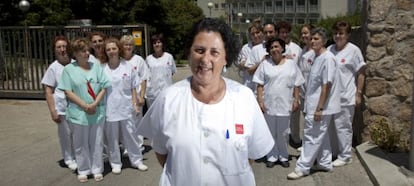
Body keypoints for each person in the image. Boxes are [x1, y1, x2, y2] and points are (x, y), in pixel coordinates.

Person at [137, 18, 274, 186]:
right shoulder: (168, 98)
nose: (205, 59)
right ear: (189, 54)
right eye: (199, 50)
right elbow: (161, 152)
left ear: (226, 58)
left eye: (215, 52)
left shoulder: (244, 98)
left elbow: (251, 155)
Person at [287, 28, 341, 180]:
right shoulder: (316, 57)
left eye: (316, 39)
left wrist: (320, 108)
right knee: (321, 136)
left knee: (311, 136)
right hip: (313, 104)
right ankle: (324, 163)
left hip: (321, 107)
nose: (312, 41)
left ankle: (302, 168)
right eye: (311, 39)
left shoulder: (327, 58)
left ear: (324, 41)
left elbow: (326, 85)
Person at [57, 38, 110, 183]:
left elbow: (104, 86)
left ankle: (97, 168)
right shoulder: (68, 70)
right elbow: (68, 91)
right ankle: (83, 169)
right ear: (75, 53)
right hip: (78, 113)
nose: (87, 53)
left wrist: (94, 104)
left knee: (97, 141)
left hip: (97, 111)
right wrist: (84, 105)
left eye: (88, 50)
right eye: (83, 51)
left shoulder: (96, 67)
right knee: (80, 142)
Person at [253, 37, 305, 168]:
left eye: (276, 47)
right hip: (268, 103)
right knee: (270, 132)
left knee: (283, 132)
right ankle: (271, 156)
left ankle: (283, 156)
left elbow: (297, 84)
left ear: (282, 48)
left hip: (285, 103)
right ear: (269, 51)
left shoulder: (291, 64)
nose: (274, 49)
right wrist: (260, 101)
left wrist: (296, 100)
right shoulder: (265, 64)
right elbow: (259, 84)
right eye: (271, 47)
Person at [102, 38, 148, 174]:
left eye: (114, 48)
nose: (111, 52)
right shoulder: (102, 69)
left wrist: (135, 104)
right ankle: (116, 162)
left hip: (126, 107)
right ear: (106, 52)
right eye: (108, 49)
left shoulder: (127, 66)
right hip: (110, 108)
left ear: (118, 49)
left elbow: (134, 87)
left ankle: (137, 160)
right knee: (112, 137)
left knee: (131, 135)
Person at [328, 20, 366, 167]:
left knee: (344, 126)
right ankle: (334, 152)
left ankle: (345, 156)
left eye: (341, 33)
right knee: (332, 127)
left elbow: (361, 73)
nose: (338, 36)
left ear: (348, 35)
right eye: (336, 33)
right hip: (331, 97)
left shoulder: (354, 50)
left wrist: (358, 93)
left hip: (346, 96)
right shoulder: (330, 49)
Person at [41, 36, 77, 171]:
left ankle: (79, 155)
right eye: (59, 47)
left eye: (64, 46)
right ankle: (69, 158)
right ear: (54, 50)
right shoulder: (53, 68)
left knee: (78, 133)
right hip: (62, 107)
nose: (62, 50)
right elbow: (49, 91)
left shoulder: (76, 63)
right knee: (65, 134)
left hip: (77, 105)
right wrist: (52, 111)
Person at [119, 34, 149, 154]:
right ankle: (127, 146)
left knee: (137, 122)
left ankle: (139, 146)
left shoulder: (138, 60)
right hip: (122, 97)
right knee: (125, 124)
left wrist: (142, 96)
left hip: (136, 96)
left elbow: (144, 79)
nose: (128, 47)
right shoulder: (119, 60)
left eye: (130, 45)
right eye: (125, 44)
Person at [276, 21, 303, 148]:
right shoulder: (275, 48)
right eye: (282, 32)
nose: (284, 34)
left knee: (295, 115)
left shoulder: (297, 48)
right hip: (279, 87)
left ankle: (295, 139)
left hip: (294, 87)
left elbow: (300, 68)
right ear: (278, 33)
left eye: (286, 32)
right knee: (280, 116)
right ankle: (280, 140)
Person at [295, 23, 316, 152]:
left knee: (312, 121)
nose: (303, 35)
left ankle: (312, 147)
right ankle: (307, 144)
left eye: (306, 33)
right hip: (304, 92)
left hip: (313, 92)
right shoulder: (303, 50)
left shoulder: (316, 52)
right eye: (302, 33)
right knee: (306, 120)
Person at [245, 22, 278, 93]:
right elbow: (249, 71)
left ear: (276, 32)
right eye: (265, 32)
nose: (268, 35)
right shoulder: (256, 49)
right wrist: (261, 62)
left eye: (270, 32)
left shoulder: (284, 49)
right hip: (261, 93)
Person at [145, 33, 176, 108]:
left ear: (162, 44)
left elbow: (172, 71)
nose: (157, 45)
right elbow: (146, 75)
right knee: (153, 116)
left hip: (166, 91)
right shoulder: (149, 59)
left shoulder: (169, 57)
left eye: (159, 42)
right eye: (154, 43)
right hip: (152, 92)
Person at [236, 19, 264, 92]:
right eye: (252, 34)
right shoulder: (246, 48)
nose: (255, 36)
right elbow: (242, 64)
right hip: (249, 84)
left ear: (262, 33)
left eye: (257, 32)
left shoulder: (267, 46)